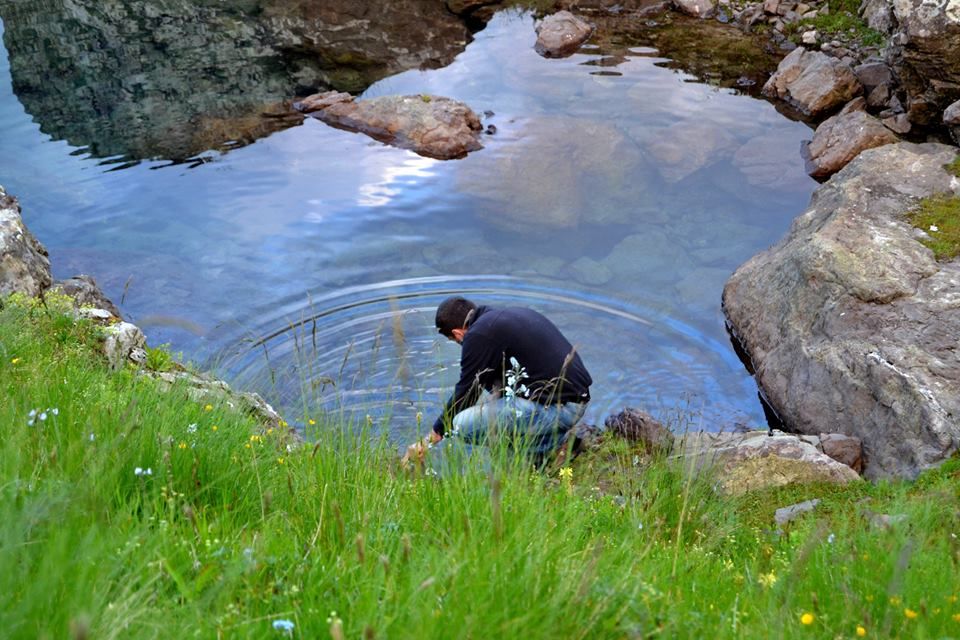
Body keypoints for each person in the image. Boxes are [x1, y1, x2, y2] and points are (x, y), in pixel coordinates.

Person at [403, 296, 592, 466]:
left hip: (561, 410)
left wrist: (429, 439)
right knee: (494, 406)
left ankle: (551, 447)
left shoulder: (478, 335)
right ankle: (552, 439)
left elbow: (466, 393)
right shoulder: (502, 318)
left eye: (454, 340)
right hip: (575, 401)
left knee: (461, 424)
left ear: (458, 333)